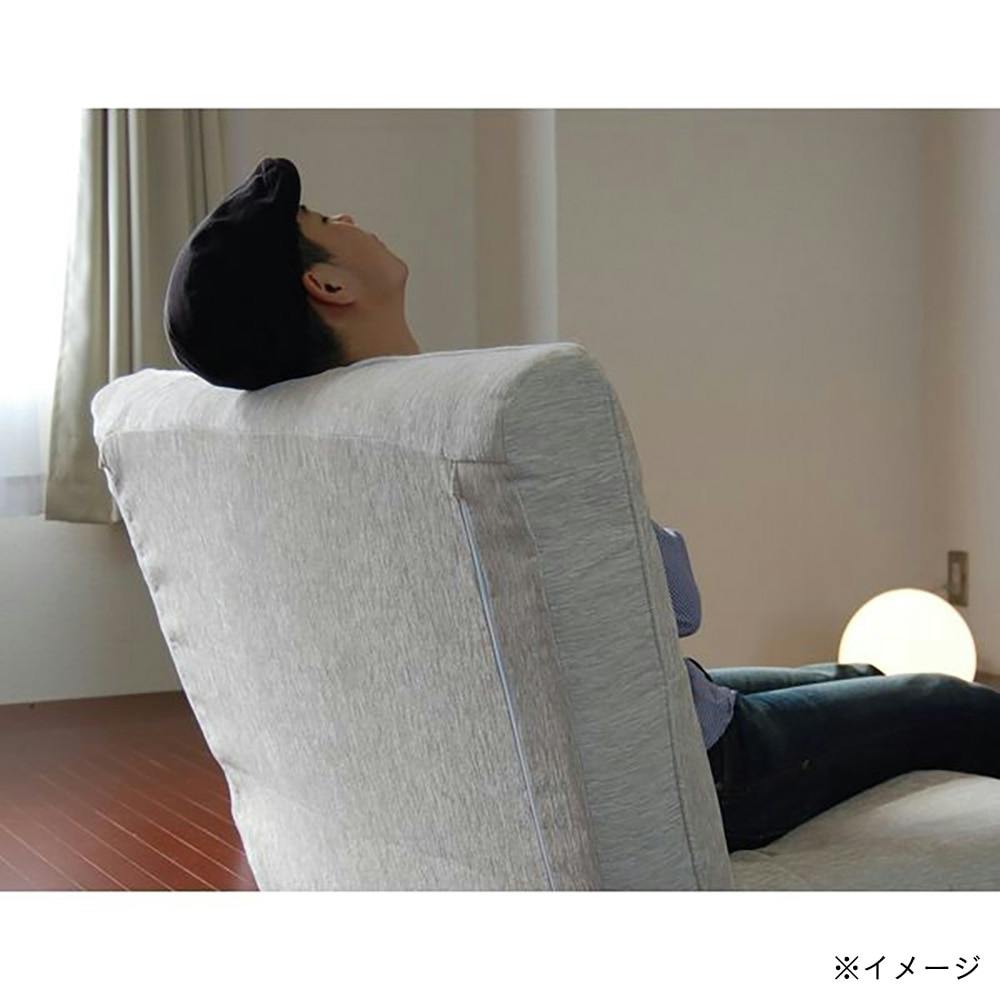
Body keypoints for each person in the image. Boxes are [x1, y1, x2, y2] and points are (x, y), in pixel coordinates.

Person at [164, 156, 1000, 854]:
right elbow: (674, 606)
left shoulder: (330, 445)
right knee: (944, 701)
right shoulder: (482, 421)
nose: (347, 216)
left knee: (864, 673)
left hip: (634, 715)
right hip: (694, 767)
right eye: (322, 219)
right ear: (327, 282)